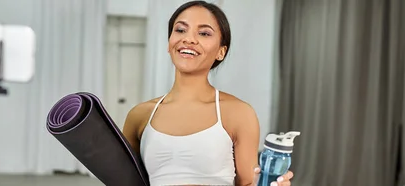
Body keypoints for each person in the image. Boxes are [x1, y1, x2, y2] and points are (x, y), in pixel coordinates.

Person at [123, 1, 294, 185]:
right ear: (169, 43)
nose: (188, 39)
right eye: (180, 30)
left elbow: (248, 183)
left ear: (221, 52)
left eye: (204, 33)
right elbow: (122, 179)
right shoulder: (140, 115)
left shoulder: (238, 113)